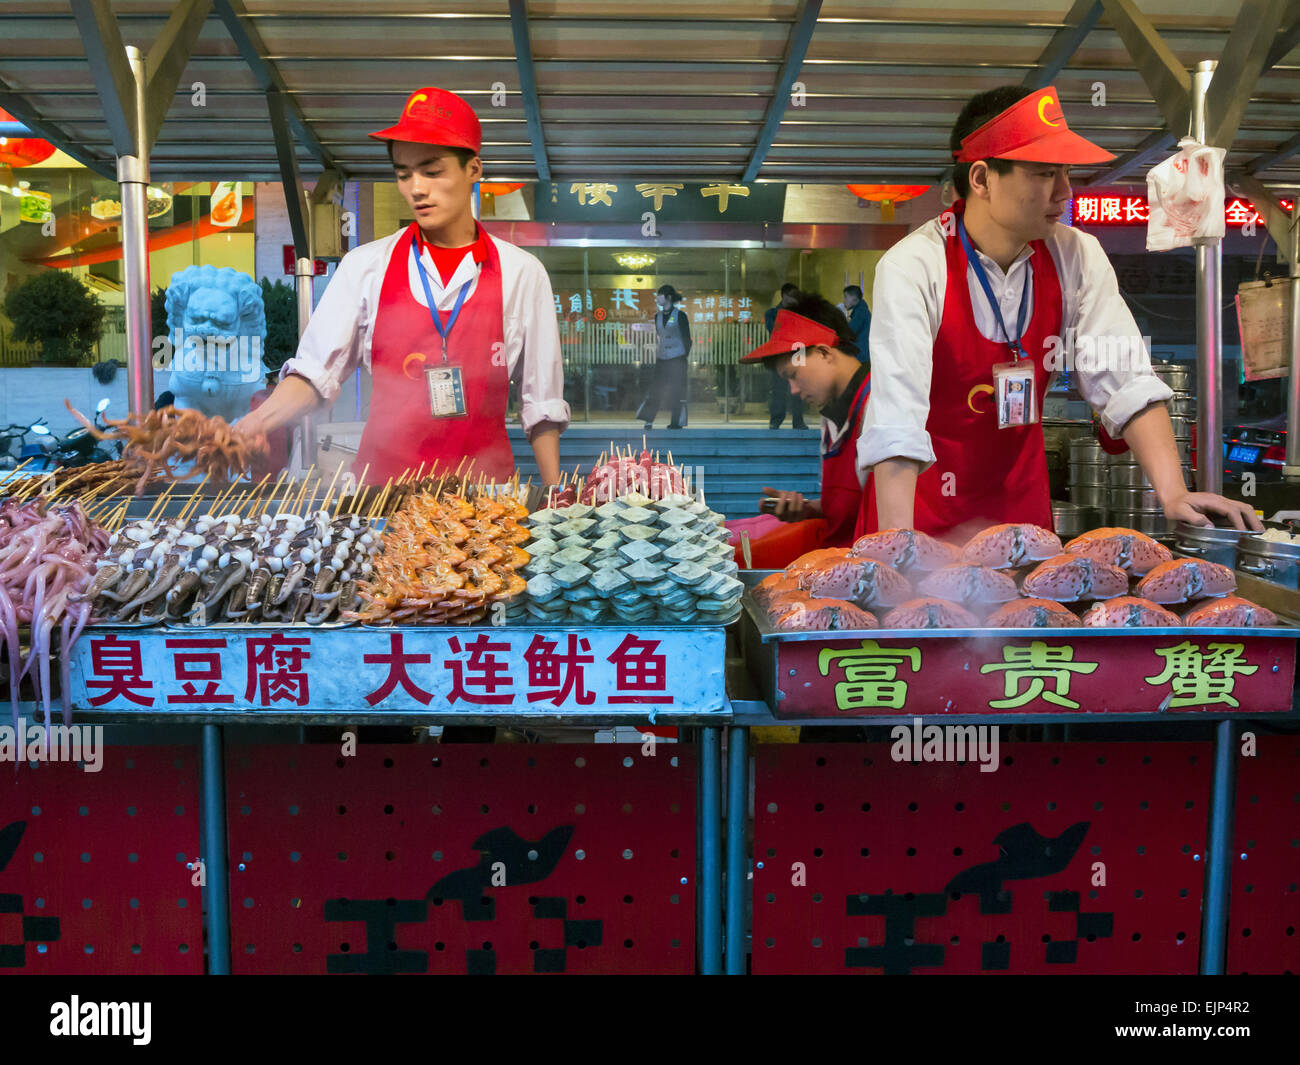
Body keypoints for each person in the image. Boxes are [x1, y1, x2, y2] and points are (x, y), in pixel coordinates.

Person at [857, 85, 1260, 542]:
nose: (1065, 191)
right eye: (1046, 173)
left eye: (1067, 172)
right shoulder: (914, 265)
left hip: (1019, 511)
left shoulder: (1076, 255)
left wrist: (1173, 492)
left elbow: (1124, 376)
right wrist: (897, 548)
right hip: (918, 511)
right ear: (982, 179)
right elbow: (895, 419)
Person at [233, 86, 568, 487]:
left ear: (473, 169)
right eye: (403, 174)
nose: (416, 189)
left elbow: (543, 405)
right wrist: (252, 423)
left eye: (432, 170)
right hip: (383, 495)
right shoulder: (366, 266)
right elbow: (315, 374)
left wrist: (556, 503)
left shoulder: (521, 273)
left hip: (486, 503)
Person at [737, 294, 871, 561]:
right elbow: (853, 507)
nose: (794, 390)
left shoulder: (879, 409)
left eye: (794, 375)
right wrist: (808, 509)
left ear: (823, 352)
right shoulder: (832, 416)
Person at [638, 284, 691, 430]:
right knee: (656, 389)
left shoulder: (680, 316)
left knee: (677, 391)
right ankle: (648, 420)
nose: (657, 298)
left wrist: (682, 356)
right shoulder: (657, 316)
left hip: (678, 358)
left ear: (668, 297)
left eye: (659, 295)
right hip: (662, 358)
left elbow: (687, 339)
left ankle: (676, 422)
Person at [764, 284, 808, 430]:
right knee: (778, 389)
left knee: (798, 389)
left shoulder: (801, 313)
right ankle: (776, 420)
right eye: (791, 296)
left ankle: (798, 421)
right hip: (780, 355)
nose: (793, 299)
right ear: (783, 296)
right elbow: (774, 329)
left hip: (796, 354)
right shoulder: (772, 313)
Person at [842, 284, 871, 367]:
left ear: (854, 299)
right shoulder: (861, 311)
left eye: (845, 297)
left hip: (860, 356)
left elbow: (849, 332)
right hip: (862, 355)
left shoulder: (861, 312)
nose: (844, 300)